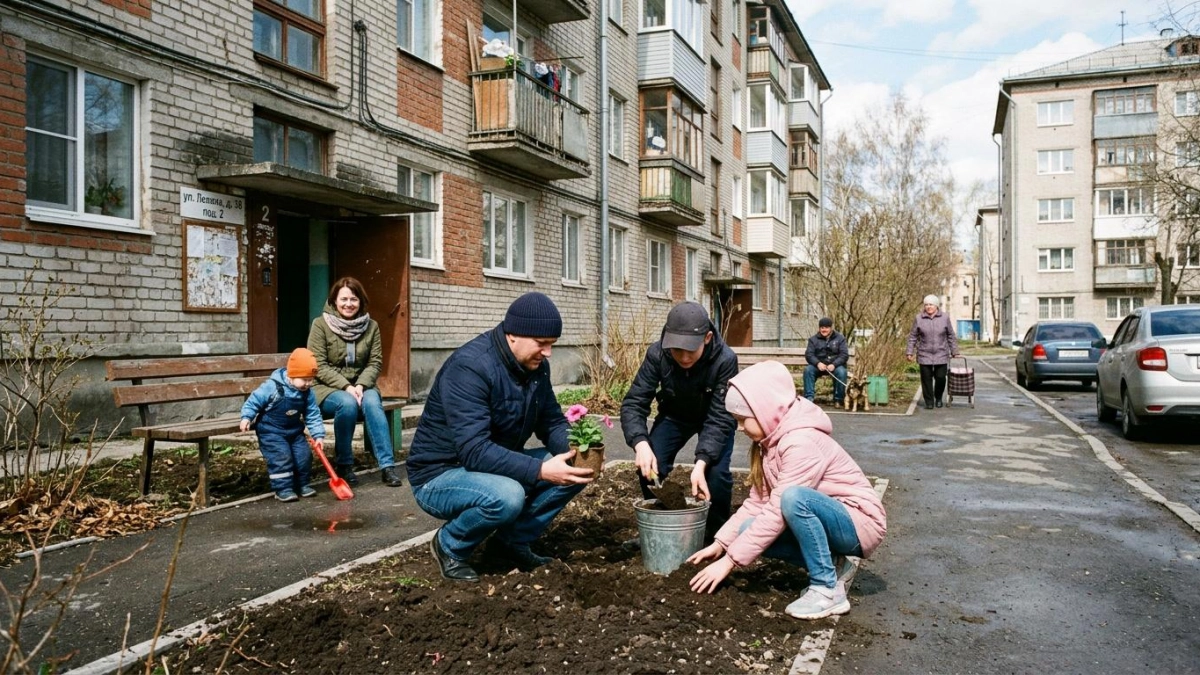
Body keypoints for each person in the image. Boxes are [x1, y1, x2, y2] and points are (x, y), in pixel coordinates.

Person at [407, 292, 594, 582]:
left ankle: (510, 542)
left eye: (551, 345)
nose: (548, 353)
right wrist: (542, 470)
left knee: (577, 469)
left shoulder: (535, 367)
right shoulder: (470, 368)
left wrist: (578, 450)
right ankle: (449, 545)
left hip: (488, 468)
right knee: (508, 496)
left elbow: (552, 422)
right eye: (541, 344)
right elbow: (474, 451)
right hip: (439, 475)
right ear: (513, 335)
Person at [686, 360, 887, 620]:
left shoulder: (800, 442)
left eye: (743, 420)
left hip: (860, 523)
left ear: (764, 410)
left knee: (793, 499)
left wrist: (729, 562)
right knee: (749, 527)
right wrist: (722, 543)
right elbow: (758, 504)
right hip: (832, 519)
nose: (741, 428)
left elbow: (778, 511)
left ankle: (827, 590)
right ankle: (837, 566)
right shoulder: (770, 442)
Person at [621, 301, 739, 537]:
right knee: (650, 466)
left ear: (706, 338)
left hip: (713, 418)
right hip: (675, 415)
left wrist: (701, 463)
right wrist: (640, 443)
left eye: (690, 350)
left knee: (715, 477)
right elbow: (634, 402)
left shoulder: (725, 360)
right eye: (677, 350)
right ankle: (664, 529)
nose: (684, 358)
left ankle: (715, 537)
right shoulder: (658, 353)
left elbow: (720, 418)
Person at [308, 277, 403, 487]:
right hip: (327, 388)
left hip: (363, 385)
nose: (348, 304)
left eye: (353, 299)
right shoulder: (320, 325)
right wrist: (347, 386)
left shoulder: (372, 326)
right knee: (347, 403)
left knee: (371, 403)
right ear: (334, 301)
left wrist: (360, 385)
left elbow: (375, 362)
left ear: (361, 301)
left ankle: (387, 467)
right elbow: (319, 365)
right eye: (343, 299)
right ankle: (345, 465)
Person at [239, 348, 327, 502]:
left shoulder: (307, 393)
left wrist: (318, 434)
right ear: (291, 374)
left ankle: (302, 484)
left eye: (311, 379)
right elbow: (254, 400)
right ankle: (283, 489)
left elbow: (313, 414)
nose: (308, 383)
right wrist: (247, 417)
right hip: (271, 431)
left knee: (303, 456)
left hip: (294, 431)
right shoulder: (273, 387)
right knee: (281, 457)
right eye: (304, 379)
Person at [906, 294, 960, 410]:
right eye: (926, 305)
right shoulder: (919, 318)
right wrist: (909, 352)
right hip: (924, 353)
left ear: (936, 306)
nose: (928, 307)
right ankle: (929, 401)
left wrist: (954, 350)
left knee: (941, 378)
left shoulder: (944, 318)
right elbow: (913, 337)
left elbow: (950, 335)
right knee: (926, 379)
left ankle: (938, 397)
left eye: (931, 304)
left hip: (941, 352)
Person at [803, 317, 850, 405]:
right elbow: (809, 354)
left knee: (842, 372)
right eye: (822, 327)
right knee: (808, 370)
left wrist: (834, 364)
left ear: (831, 328)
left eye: (826, 327)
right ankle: (809, 397)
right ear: (819, 328)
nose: (824, 330)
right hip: (818, 366)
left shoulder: (840, 338)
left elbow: (844, 355)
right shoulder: (813, 340)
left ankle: (838, 399)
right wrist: (818, 363)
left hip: (834, 366)